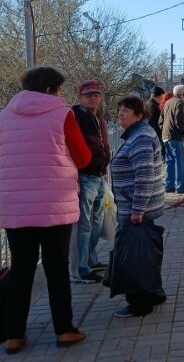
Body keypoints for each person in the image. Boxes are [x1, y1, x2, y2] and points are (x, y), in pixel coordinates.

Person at [0, 66, 89, 353]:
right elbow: (83, 157)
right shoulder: (63, 114)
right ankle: (64, 329)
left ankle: (14, 334)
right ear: (50, 89)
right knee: (56, 266)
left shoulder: (4, 115)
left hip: (16, 204)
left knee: (21, 268)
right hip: (54, 203)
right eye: (59, 88)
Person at [109, 97, 166, 318]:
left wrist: (137, 211)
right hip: (138, 207)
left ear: (139, 115)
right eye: (120, 110)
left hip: (137, 210)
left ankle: (140, 303)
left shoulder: (140, 137)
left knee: (135, 258)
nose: (120, 114)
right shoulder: (139, 134)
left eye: (126, 111)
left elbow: (145, 176)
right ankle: (155, 292)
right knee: (147, 255)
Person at [70, 80, 112, 284]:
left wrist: (104, 168)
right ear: (80, 97)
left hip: (98, 174)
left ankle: (91, 259)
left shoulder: (98, 117)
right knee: (84, 224)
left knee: (96, 221)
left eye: (96, 95)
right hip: (84, 175)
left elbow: (102, 144)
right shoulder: (76, 116)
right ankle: (81, 268)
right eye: (88, 95)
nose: (92, 98)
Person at [159, 85, 184, 193]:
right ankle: (181, 186)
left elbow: (161, 120)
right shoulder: (180, 103)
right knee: (180, 162)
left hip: (166, 136)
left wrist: (164, 130)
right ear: (183, 94)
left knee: (170, 162)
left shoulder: (167, 102)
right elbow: (180, 121)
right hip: (176, 137)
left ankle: (169, 185)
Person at [147, 86, 165, 158]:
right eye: (162, 96)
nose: (162, 98)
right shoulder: (152, 106)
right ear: (158, 95)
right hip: (154, 135)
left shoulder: (149, 104)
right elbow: (152, 122)